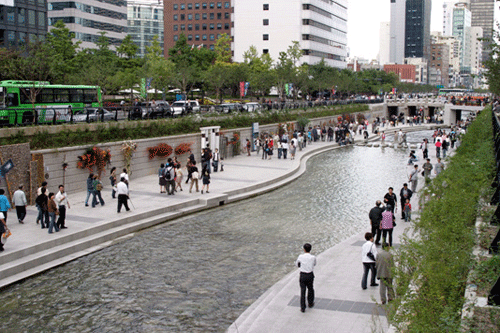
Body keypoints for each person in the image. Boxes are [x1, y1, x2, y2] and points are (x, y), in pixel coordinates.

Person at [295, 243, 316, 312]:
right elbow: (314, 264)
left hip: (302, 275)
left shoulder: (300, 256)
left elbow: (297, 264)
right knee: (310, 289)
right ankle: (310, 303)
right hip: (310, 274)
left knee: (302, 291)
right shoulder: (313, 257)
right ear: (310, 249)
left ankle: (302, 307)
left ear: (304, 249)